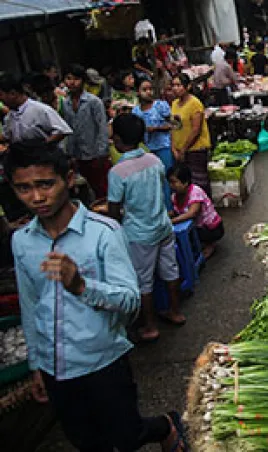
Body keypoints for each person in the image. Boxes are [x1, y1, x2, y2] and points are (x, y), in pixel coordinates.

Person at [6, 143, 189, 451]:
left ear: (69, 178)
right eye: (23, 188)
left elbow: (130, 301)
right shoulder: (22, 241)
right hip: (56, 368)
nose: (36, 197)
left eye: (45, 184)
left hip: (103, 360)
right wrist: (37, 364)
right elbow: (30, 304)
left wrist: (81, 285)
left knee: (126, 434)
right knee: (85, 440)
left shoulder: (103, 233)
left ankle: (165, 425)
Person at [106, 114, 184, 342]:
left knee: (143, 281)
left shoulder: (117, 172)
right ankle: (176, 311)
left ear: (118, 140)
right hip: (163, 225)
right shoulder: (155, 161)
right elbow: (160, 191)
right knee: (170, 269)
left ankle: (150, 326)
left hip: (140, 234)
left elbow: (113, 209)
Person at [62, 64, 112, 199]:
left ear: (83, 81)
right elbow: (68, 129)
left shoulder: (93, 102)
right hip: (78, 154)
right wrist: (70, 153)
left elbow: (102, 127)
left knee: (103, 189)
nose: (72, 83)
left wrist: (102, 152)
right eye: (68, 78)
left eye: (76, 79)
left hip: (95, 153)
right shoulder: (65, 103)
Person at [168, 163, 225, 259]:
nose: (171, 185)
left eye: (174, 182)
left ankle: (209, 244)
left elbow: (192, 213)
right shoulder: (175, 197)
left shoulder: (195, 192)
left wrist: (170, 221)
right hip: (197, 226)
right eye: (170, 182)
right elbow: (176, 211)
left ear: (185, 182)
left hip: (211, 228)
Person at [133, 78, 174, 208]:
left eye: (150, 89)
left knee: (166, 178)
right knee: (151, 180)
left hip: (163, 146)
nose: (149, 92)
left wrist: (156, 128)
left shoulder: (160, 106)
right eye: (145, 90)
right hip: (147, 149)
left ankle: (170, 208)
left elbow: (173, 124)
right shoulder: (136, 112)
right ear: (138, 92)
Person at [0, 73, 72, 145]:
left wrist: (43, 146)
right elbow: (6, 135)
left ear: (13, 93)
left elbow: (62, 130)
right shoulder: (9, 117)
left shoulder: (39, 109)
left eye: (1, 95)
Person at [171, 73, 212, 196]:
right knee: (185, 184)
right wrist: (174, 148)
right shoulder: (174, 104)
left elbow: (196, 130)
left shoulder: (195, 103)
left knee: (199, 183)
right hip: (179, 150)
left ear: (187, 86)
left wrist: (183, 150)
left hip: (195, 149)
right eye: (173, 85)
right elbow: (173, 126)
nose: (175, 88)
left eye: (179, 85)